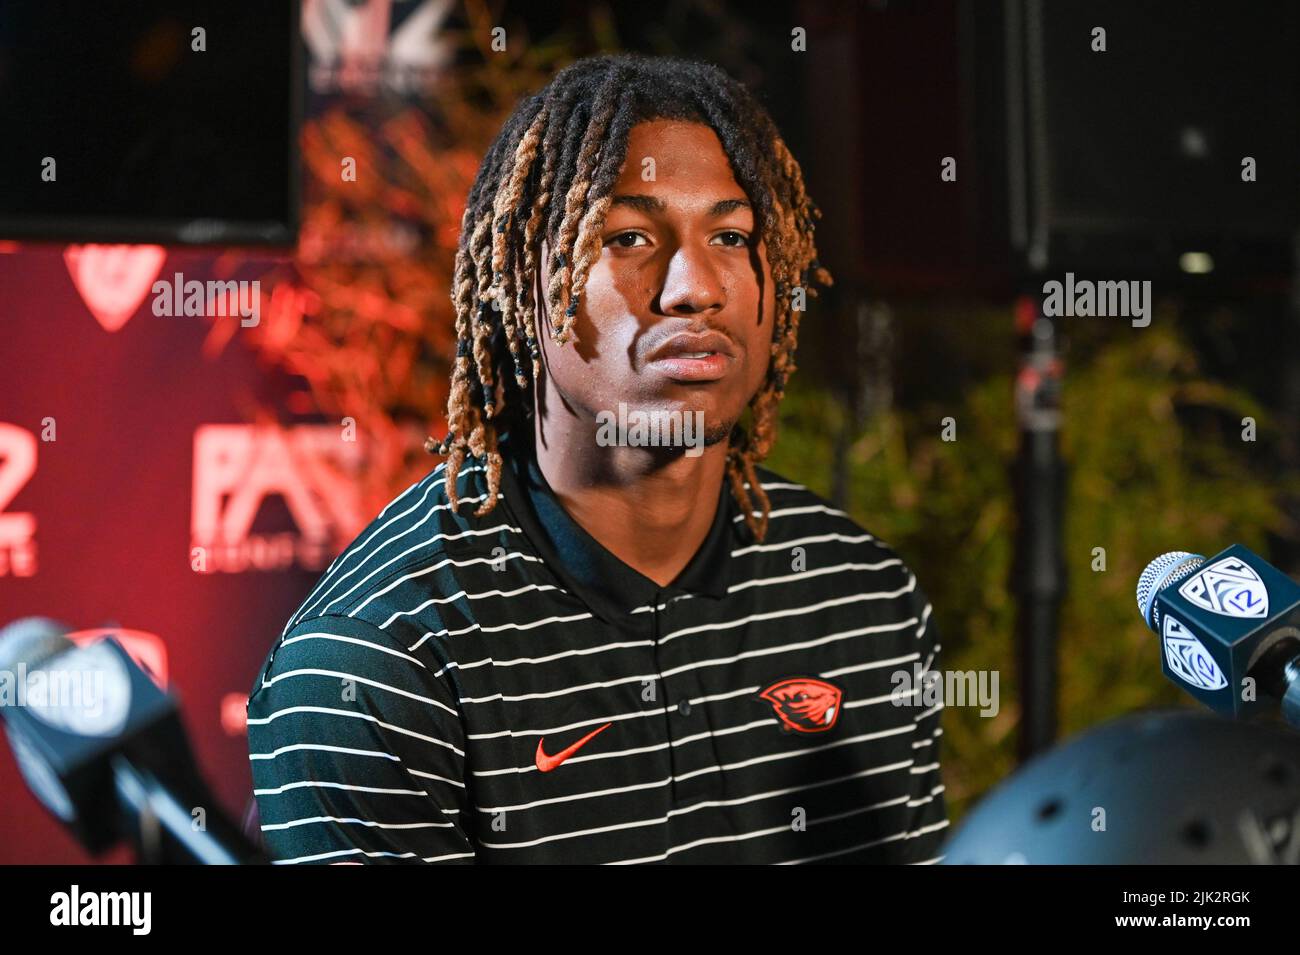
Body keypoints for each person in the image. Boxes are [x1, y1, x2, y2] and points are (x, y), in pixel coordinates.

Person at [247, 52, 947, 864]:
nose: (693, 287)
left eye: (731, 235)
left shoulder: (868, 599)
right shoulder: (375, 664)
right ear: (521, 278)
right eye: (629, 236)